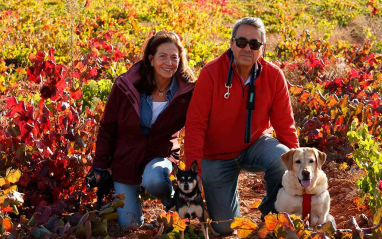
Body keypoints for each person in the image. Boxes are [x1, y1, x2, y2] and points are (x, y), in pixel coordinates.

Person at [184, 17, 299, 235]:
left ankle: (272, 214)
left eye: (254, 44)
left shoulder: (274, 75)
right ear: (231, 43)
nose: (247, 48)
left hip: (255, 145)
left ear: (262, 48)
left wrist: (299, 166)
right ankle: (225, 198)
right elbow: (195, 125)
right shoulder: (211, 73)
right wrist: (194, 170)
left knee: (284, 158)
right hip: (216, 156)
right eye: (241, 42)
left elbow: (285, 125)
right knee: (225, 227)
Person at [92, 31, 196, 229]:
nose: (169, 63)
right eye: (162, 56)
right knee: (130, 226)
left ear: (180, 60)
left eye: (174, 57)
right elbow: (107, 126)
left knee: (154, 179)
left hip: (159, 154)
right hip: (126, 158)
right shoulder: (126, 85)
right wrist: (100, 165)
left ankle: (173, 202)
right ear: (151, 59)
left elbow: (199, 125)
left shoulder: (186, 91)